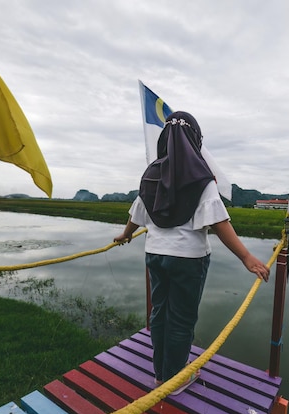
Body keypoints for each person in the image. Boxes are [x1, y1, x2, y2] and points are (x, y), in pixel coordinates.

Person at [114, 111, 269, 392]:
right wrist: (246, 257)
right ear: (194, 139)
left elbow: (137, 213)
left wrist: (125, 235)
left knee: (159, 314)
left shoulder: (151, 173)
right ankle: (173, 380)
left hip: (155, 256)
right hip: (188, 260)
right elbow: (219, 222)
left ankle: (161, 373)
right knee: (181, 319)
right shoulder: (200, 176)